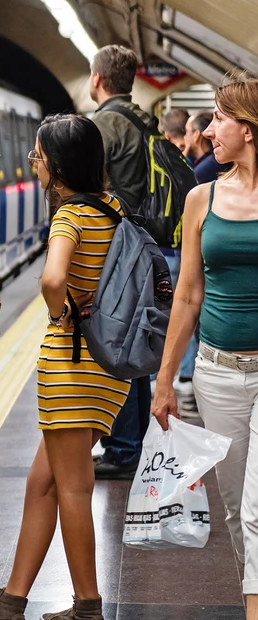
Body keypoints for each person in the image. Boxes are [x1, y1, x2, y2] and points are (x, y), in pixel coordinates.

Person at [0, 114, 127, 620]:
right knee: (44, 482)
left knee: (74, 487)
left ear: (55, 166)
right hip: (104, 365)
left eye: (36, 156)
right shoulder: (111, 207)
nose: (32, 163)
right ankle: (13, 600)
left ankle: (87, 607)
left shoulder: (69, 217)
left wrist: (60, 310)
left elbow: (53, 278)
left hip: (72, 363)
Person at [152, 71, 258, 619]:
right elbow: (188, 295)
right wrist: (166, 380)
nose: (209, 129)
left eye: (219, 118)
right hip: (218, 372)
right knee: (239, 508)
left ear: (249, 128)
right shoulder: (201, 198)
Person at [87, 45, 156, 480]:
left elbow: (88, 182)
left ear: (97, 79)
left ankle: (125, 448)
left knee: (122, 345)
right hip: (144, 238)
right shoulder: (145, 119)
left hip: (118, 244)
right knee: (138, 344)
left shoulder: (104, 124)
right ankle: (133, 443)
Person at [187, 109, 232, 183]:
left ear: (196, 135)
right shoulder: (216, 160)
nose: (185, 137)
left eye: (187, 131)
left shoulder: (204, 169)